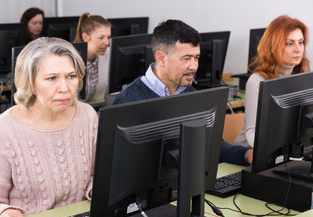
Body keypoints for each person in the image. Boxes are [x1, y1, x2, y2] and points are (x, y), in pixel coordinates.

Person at [0, 37, 98, 217]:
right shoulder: (5, 130)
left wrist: (96, 192)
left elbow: (95, 176)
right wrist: (2, 213)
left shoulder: (87, 115)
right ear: (30, 83)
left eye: (71, 76)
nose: (65, 88)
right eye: (51, 78)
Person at [113, 19, 253, 166]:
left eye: (196, 58)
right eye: (186, 58)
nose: (194, 66)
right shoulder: (128, 101)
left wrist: (246, 154)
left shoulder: (192, 95)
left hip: (186, 184)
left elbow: (211, 145)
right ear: (161, 58)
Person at [233, 15, 310, 148]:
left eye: (301, 42)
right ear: (273, 46)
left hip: (288, 151)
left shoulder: (304, 77)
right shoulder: (257, 81)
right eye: (289, 43)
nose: (298, 49)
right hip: (250, 153)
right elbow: (252, 133)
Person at [74, 12, 111, 102]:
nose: (107, 42)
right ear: (85, 37)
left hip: (98, 108)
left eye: (108, 37)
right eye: (101, 37)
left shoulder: (109, 54)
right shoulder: (70, 59)